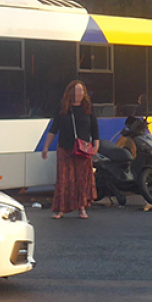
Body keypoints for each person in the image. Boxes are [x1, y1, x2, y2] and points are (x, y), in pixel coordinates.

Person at [41, 80, 99, 219]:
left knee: (81, 180)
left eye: (81, 91)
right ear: (70, 93)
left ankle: (82, 208)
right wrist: (46, 147)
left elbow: (94, 129)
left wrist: (96, 146)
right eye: (75, 90)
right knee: (64, 180)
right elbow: (54, 129)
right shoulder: (63, 108)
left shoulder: (88, 108)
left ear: (84, 93)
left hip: (83, 150)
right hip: (65, 148)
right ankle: (60, 209)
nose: (78, 93)